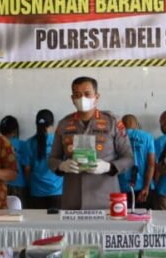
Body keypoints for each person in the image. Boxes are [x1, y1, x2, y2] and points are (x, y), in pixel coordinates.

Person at [48, 77, 133, 210]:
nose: (82, 98)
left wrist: (109, 167)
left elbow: (129, 158)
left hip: (105, 198)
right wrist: (61, 166)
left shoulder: (113, 122)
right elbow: (52, 159)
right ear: (72, 99)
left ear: (96, 97)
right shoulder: (64, 124)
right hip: (73, 199)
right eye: (77, 95)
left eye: (87, 94)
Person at [25, 110, 63, 210]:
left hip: (37, 191)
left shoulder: (29, 143)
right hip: (57, 190)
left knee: (38, 220)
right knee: (56, 220)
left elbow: (27, 170)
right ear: (52, 123)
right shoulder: (59, 141)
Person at [118, 114, 156, 208]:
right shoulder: (147, 137)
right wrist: (146, 187)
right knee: (144, 216)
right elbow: (151, 164)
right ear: (136, 124)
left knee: (124, 216)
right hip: (143, 188)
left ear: (122, 124)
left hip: (122, 187)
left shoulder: (118, 136)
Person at [0, 115, 29, 200]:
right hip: (19, 184)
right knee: (19, 207)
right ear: (15, 131)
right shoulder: (22, 145)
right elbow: (27, 168)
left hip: (1, 184)